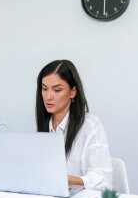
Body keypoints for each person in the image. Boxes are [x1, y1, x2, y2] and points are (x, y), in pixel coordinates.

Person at [36, 59, 112, 190]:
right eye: (44, 89)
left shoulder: (90, 125)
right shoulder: (45, 125)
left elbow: (102, 178)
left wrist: (67, 180)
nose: (48, 97)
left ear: (73, 92)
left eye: (57, 90)